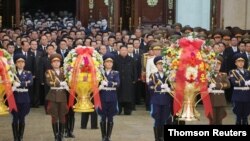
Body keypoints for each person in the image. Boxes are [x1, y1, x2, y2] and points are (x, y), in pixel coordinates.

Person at [45, 53, 69, 140]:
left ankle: (61, 135)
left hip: (62, 95)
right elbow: (49, 82)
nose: (56, 63)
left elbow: (68, 80)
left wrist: (66, 83)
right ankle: (56, 135)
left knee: (62, 114)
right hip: (53, 95)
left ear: (60, 62)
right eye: (54, 62)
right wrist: (60, 83)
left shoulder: (64, 71)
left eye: (58, 61)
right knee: (54, 115)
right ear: (51, 63)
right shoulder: (49, 72)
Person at [148, 56, 172, 141]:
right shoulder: (153, 75)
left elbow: (173, 87)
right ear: (156, 65)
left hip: (166, 100)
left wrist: (169, 88)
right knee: (157, 119)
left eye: (162, 64)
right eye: (159, 64)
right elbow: (150, 87)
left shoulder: (169, 76)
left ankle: (161, 137)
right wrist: (160, 87)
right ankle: (157, 138)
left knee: (164, 118)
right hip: (156, 100)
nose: (161, 66)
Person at [98, 53, 120, 141]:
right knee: (103, 116)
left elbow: (118, 83)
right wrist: (100, 84)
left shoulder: (115, 73)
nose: (109, 64)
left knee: (110, 117)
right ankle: (103, 136)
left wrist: (108, 83)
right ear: (104, 63)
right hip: (103, 96)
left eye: (111, 62)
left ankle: (108, 136)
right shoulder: (100, 73)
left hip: (112, 96)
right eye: (107, 62)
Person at [12, 54, 33, 141]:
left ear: (24, 63)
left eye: (22, 62)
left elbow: (30, 82)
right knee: (15, 118)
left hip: (24, 97)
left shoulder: (28, 73)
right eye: (18, 62)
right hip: (15, 97)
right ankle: (15, 137)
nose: (21, 64)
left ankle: (20, 136)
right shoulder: (12, 74)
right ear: (16, 64)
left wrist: (20, 84)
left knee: (22, 117)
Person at [208, 56, 230, 125]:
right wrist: (207, 88)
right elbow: (202, 85)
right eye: (215, 63)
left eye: (219, 64)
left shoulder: (223, 75)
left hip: (221, 100)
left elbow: (228, 85)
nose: (217, 65)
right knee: (212, 120)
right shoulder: (208, 75)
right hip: (212, 100)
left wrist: (216, 85)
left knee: (219, 121)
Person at [229, 54, 250, 125]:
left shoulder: (248, 72)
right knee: (238, 115)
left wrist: (244, 83)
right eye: (239, 61)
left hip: (247, 95)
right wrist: (246, 82)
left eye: (242, 61)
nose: (241, 63)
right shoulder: (232, 72)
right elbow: (234, 83)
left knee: (246, 115)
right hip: (238, 95)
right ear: (235, 63)